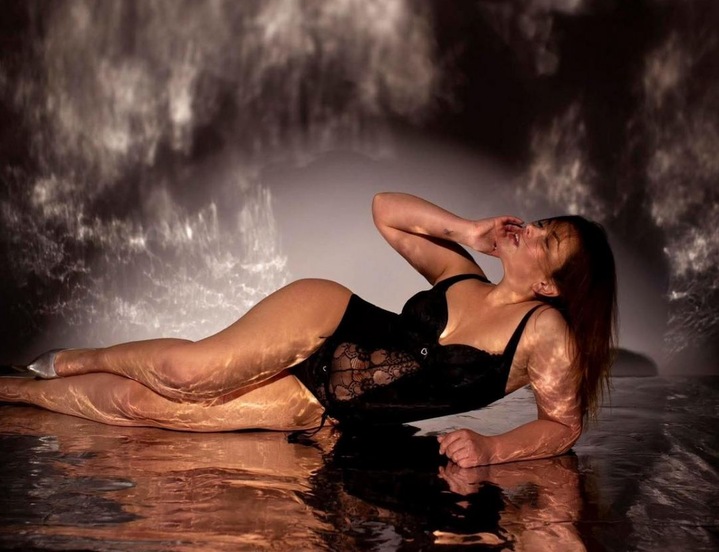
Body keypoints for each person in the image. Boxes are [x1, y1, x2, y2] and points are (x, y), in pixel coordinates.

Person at [0, 192, 617, 467]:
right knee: (184, 373)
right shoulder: (462, 274)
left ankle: (13, 391)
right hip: (323, 318)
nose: (532, 229)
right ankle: (77, 359)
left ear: (551, 286)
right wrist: (468, 231)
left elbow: (563, 425)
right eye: (542, 223)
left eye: (547, 241)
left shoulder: (544, 333)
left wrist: (490, 449)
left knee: (144, 408)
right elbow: (385, 210)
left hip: (317, 404)